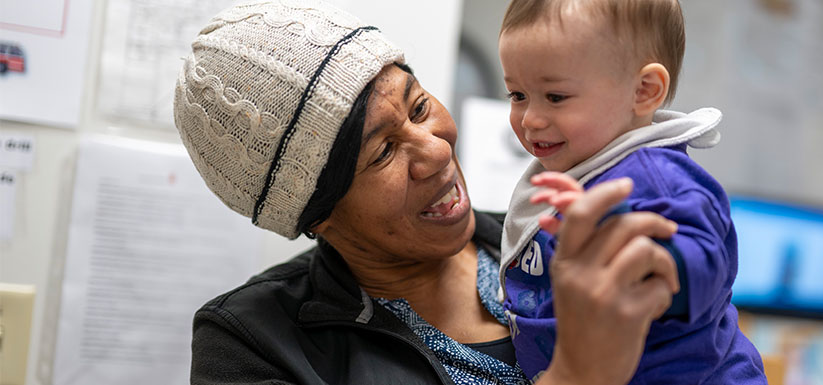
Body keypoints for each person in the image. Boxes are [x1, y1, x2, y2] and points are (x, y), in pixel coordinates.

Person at [173, 1, 680, 384]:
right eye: (382, 152)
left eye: (418, 108)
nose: (436, 151)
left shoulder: (545, 237)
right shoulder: (252, 344)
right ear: (316, 213)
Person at [497, 0, 767, 383]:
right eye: (517, 95)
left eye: (555, 97)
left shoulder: (655, 175)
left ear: (644, 91)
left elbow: (709, 262)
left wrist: (629, 244)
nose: (530, 119)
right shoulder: (572, 167)